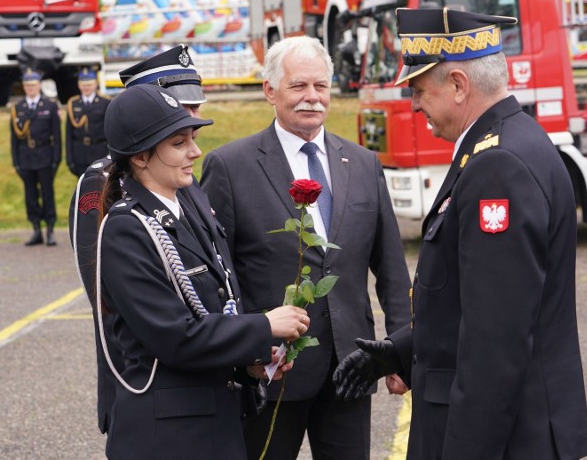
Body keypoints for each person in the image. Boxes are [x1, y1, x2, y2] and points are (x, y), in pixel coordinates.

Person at [333, 8, 587, 460]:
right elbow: (475, 303)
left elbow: (495, 341)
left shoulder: (498, 166)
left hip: (507, 440)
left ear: (458, 84)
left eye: (419, 90)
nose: (414, 105)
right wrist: (399, 351)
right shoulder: (509, 141)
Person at [200, 36, 412, 460]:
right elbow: (217, 274)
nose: (312, 98)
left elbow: (390, 265)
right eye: (299, 86)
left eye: (321, 86)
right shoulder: (231, 166)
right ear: (270, 90)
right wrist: (248, 349)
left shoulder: (364, 164)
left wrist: (403, 348)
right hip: (272, 368)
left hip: (351, 366)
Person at [97, 82, 309, 459]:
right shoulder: (127, 228)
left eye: (192, 139)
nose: (195, 151)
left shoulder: (185, 210)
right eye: (179, 143)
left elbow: (216, 305)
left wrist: (252, 361)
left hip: (211, 425)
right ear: (141, 157)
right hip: (169, 437)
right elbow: (175, 336)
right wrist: (264, 325)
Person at [68, 44, 211, 435]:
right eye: (183, 106)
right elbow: (104, 287)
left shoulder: (180, 172)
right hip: (142, 374)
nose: (194, 117)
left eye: (197, 107)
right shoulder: (102, 180)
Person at [11, 69, 61, 247]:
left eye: (33, 85)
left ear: (39, 85)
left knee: (47, 194)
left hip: (45, 156)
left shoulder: (49, 106)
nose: (30, 88)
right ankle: (36, 229)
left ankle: (50, 229)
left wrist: (57, 159)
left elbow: (56, 136)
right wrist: (16, 162)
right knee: (30, 196)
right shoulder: (18, 108)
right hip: (26, 158)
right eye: (27, 85)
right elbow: (14, 139)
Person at [65, 67, 110, 176]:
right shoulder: (73, 103)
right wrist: (70, 159)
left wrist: (110, 156)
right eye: (83, 85)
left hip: (100, 152)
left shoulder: (105, 102)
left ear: (96, 84)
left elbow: (110, 132)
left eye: (89, 84)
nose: (86, 87)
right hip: (79, 154)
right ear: (79, 85)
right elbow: (68, 135)